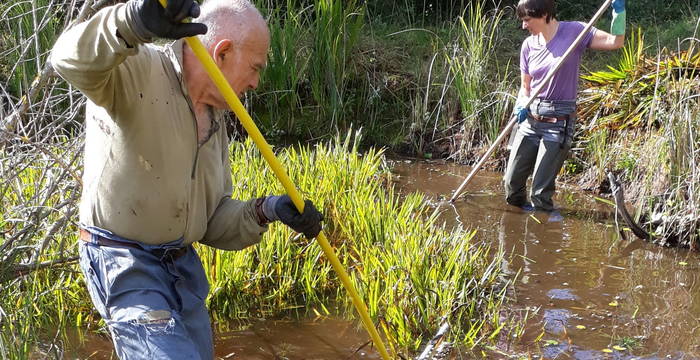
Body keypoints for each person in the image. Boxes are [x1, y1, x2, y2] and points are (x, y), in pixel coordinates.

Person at [50, 0, 323, 358]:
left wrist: (268, 210)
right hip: (124, 261)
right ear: (222, 52)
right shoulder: (137, 68)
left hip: (182, 271)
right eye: (255, 67)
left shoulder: (217, 119)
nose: (256, 82)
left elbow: (210, 222)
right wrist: (133, 19)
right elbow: (67, 59)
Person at [504, 0, 626, 212]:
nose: (524, 26)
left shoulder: (575, 31)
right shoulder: (528, 45)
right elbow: (525, 86)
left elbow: (615, 42)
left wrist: (619, 12)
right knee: (511, 186)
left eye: (526, 20)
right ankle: (518, 225)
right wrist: (521, 103)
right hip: (530, 120)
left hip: (558, 123)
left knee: (540, 194)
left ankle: (540, 235)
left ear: (543, 15)